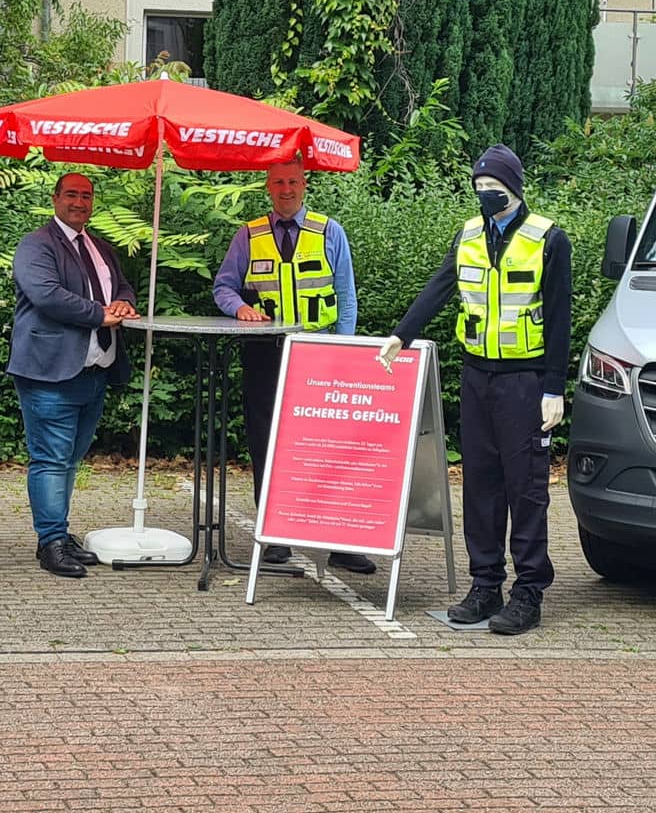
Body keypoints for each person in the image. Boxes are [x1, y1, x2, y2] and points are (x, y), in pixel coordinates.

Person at [379, 145, 570, 633]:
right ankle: (485, 585)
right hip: (477, 375)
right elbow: (439, 288)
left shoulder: (548, 238)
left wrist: (554, 387)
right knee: (481, 484)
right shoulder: (468, 235)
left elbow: (559, 319)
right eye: (479, 188)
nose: (485, 195)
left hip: (525, 381)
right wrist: (401, 334)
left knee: (525, 486)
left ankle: (528, 592)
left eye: (494, 188)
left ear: (514, 188)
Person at [211, 159, 375, 576]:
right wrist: (241, 308)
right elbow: (223, 286)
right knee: (268, 442)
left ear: (305, 185)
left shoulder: (329, 231)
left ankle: (337, 539)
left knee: (327, 444)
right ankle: (275, 534)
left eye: (294, 182)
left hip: (319, 351)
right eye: (279, 182)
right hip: (265, 352)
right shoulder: (248, 235)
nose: (287, 189)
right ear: (268, 187)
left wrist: (346, 352)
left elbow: (346, 295)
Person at [9, 173, 139, 578]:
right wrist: (100, 314)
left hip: (93, 373)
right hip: (49, 373)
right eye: (71, 194)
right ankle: (51, 542)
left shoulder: (100, 248)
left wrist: (122, 302)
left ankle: (58, 535)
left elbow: (124, 286)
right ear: (55, 198)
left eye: (86, 195)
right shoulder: (36, 246)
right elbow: (47, 295)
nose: (79, 202)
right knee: (50, 459)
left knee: (69, 461)